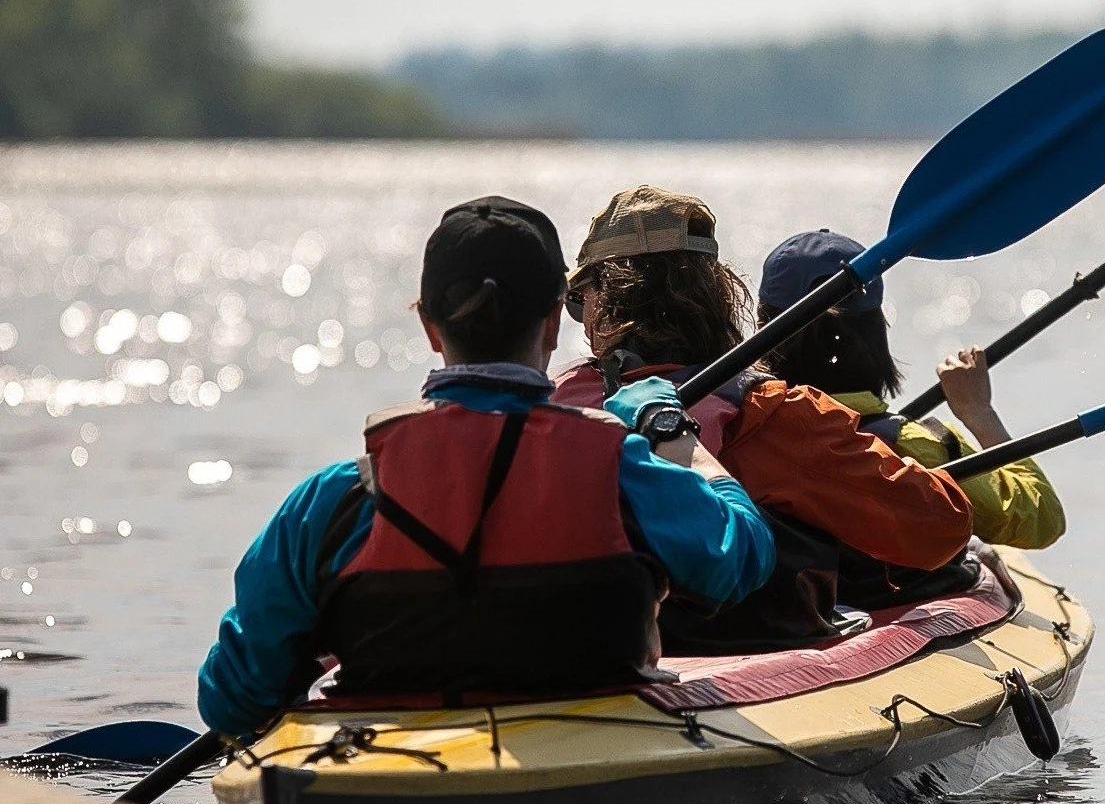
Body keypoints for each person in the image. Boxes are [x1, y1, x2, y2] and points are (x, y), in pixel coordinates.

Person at [197, 196, 775, 738]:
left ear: (430, 327)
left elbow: (232, 702)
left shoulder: (335, 500)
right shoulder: (621, 466)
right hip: (592, 742)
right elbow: (744, 557)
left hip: (389, 761)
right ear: (554, 322)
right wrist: (668, 432)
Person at [554, 186, 974, 647]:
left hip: (583, 646)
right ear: (718, 296)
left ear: (605, 301)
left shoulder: (554, 404)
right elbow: (942, 528)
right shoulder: (780, 415)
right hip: (731, 650)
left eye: (579, 300)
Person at [758, 228, 1066, 552]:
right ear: (877, 329)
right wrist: (978, 411)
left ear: (763, 328)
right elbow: (1042, 519)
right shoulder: (918, 449)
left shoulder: (741, 426)